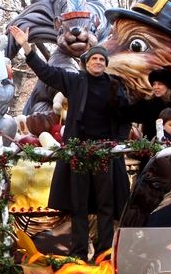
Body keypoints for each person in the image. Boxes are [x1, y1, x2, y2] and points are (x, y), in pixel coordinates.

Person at [10, 25, 130, 261]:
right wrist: (27, 47)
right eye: (93, 58)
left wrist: (117, 143)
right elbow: (45, 72)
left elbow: (125, 117)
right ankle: (78, 253)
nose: (97, 62)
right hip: (79, 152)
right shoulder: (75, 81)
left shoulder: (115, 85)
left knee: (106, 204)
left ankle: (105, 252)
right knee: (79, 205)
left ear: (105, 63)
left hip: (104, 153)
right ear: (86, 63)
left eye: (101, 59)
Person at [124, 68, 171, 140]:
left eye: (160, 84)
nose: (156, 87)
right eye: (154, 84)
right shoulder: (146, 105)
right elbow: (126, 114)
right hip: (154, 148)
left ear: (168, 86)